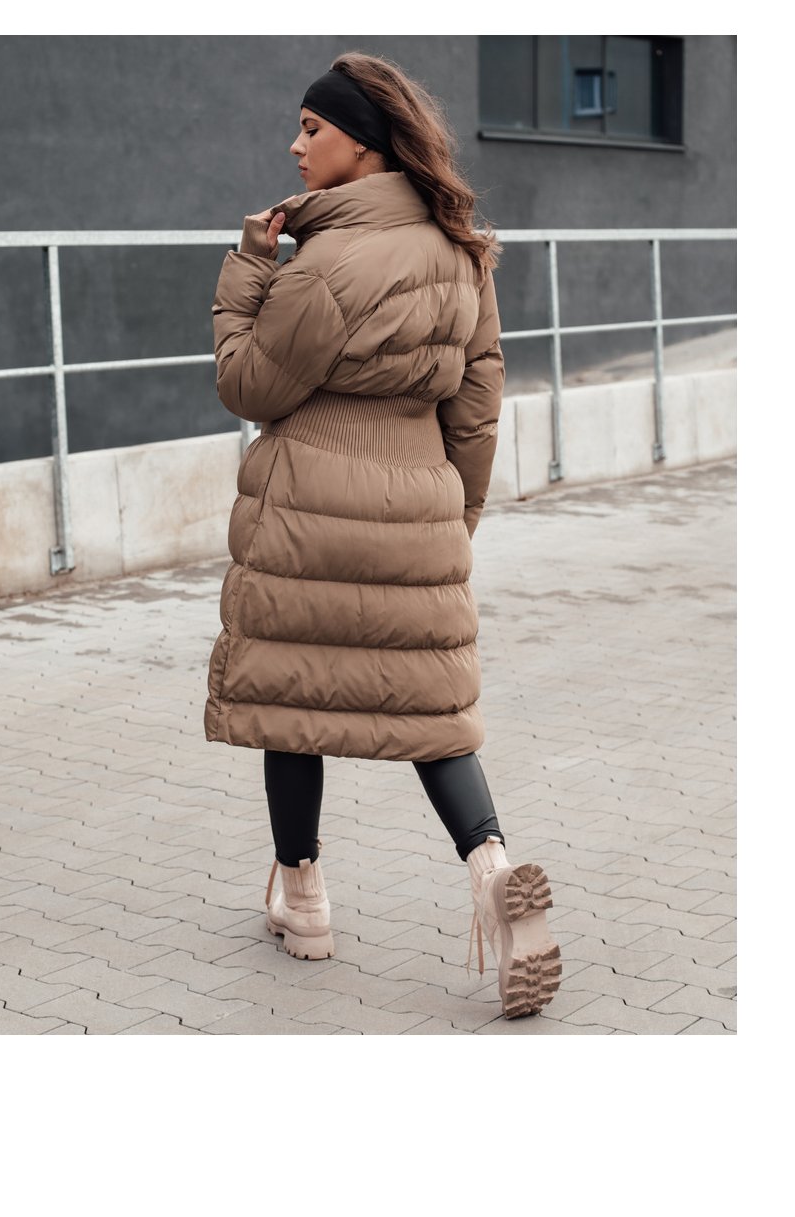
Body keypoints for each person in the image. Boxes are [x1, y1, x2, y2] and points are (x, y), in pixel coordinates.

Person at [203, 52, 560, 1020]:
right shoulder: (462, 252)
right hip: (418, 504)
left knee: (295, 702)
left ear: (362, 144)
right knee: (430, 715)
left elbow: (248, 384)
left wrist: (249, 267)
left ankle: (305, 903)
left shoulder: (327, 264)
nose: (295, 145)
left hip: (307, 507)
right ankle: (491, 868)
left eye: (312, 128)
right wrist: (456, 518)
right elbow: (478, 404)